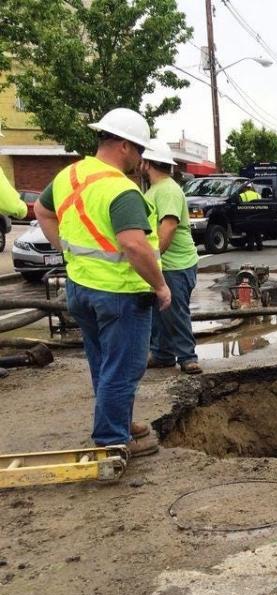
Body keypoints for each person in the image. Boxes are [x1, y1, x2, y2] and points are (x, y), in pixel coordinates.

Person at [33, 108, 169, 456]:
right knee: (124, 368)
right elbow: (134, 245)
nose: (140, 161)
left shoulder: (70, 175)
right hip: (120, 294)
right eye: (139, 151)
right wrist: (159, 285)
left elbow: (42, 212)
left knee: (104, 363)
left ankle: (119, 422)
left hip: (81, 289)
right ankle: (111, 439)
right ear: (124, 145)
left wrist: (65, 248)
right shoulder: (120, 189)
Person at [142, 141, 202, 375]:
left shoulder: (167, 190)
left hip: (176, 264)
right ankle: (162, 354)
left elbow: (168, 228)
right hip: (166, 263)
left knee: (174, 311)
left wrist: (152, 260)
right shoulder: (155, 190)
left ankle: (187, 356)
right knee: (159, 312)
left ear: (146, 163)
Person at [238, 183, 263, 251]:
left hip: (248, 215)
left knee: (250, 232)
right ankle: (259, 245)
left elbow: (239, 205)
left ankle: (250, 246)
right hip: (257, 215)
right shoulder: (258, 195)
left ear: (245, 188)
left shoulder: (242, 195)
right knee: (257, 231)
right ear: (251, 188)